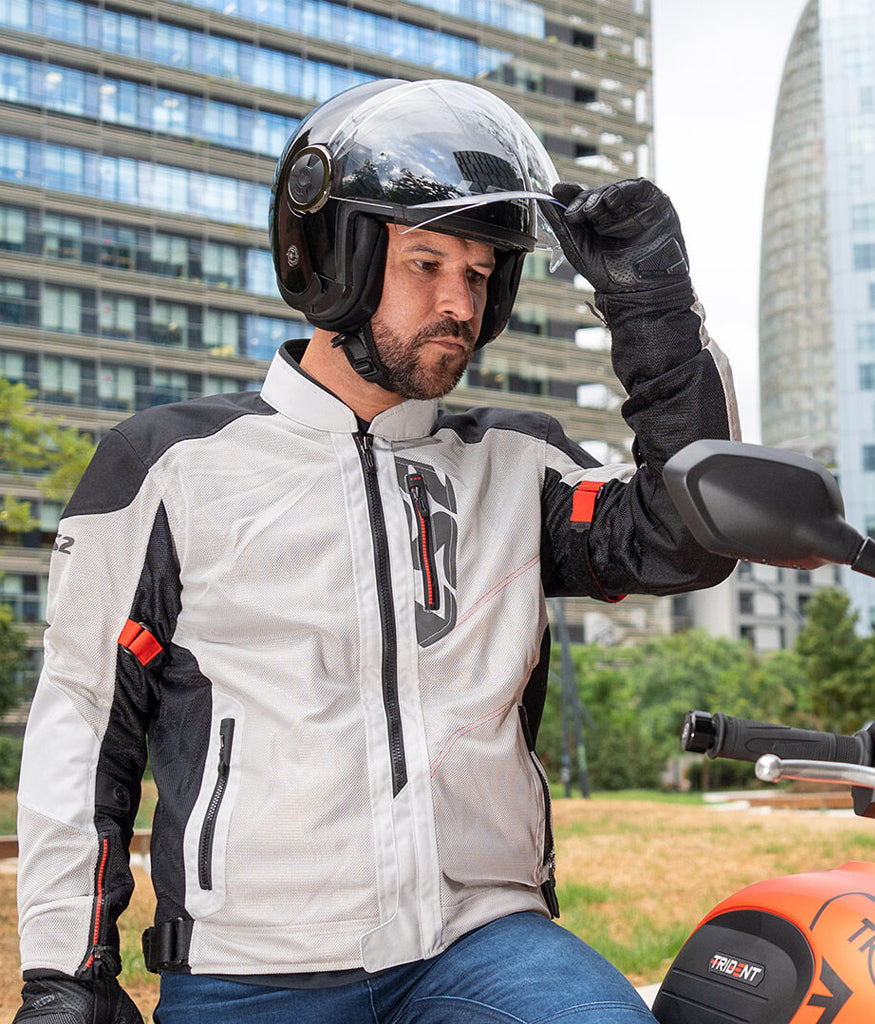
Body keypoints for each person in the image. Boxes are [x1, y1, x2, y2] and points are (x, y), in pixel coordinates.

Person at [12, 78, 740, 1023]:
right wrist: (66, 971)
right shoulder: (170, 466)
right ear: (334, 261)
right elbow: (82, 716)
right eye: (426, 263)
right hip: (252, 965)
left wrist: (656, 310)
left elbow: (688, 535)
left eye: (480, 274)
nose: (459, 303)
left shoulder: (518, 463)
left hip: (483, 938)